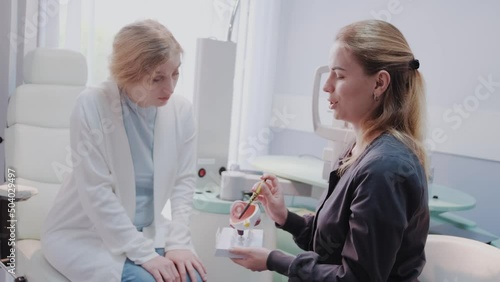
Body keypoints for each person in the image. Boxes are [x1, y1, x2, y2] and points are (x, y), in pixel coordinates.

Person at [230, 19, 430, 281]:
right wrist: (283, 216)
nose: (327, 85)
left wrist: (274, 260)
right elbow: (331, 244)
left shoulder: (385, 169)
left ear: (379, 84)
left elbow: (357, 278)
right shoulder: (359, 150)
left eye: (341, 75)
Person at [41, 19, 207, 282]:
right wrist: (145, 256)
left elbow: (183, 182)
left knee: (192, 278)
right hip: (87, 233)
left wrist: (178, 243)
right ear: (127, 73)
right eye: (157, 78)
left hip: (150, 231)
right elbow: (97, 192)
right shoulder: (92, 105)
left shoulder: (181, 111)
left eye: (175, 73)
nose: (170, 88)